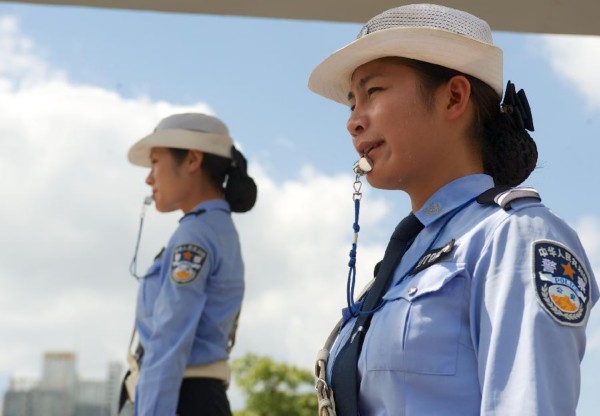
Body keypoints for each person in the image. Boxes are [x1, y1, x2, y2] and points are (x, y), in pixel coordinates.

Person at [308, 4, 598, 415]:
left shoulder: (514, 236)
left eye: (373, 92)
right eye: (351, 103)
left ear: (454, 97)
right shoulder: (408, 259)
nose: (354, 121)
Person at [124, 112, 257, 416]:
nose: (148, 177)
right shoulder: (213, 227)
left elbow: (170, 337)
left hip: (181, 398)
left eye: (155, 162)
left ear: (193, 160)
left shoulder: (195, 234)